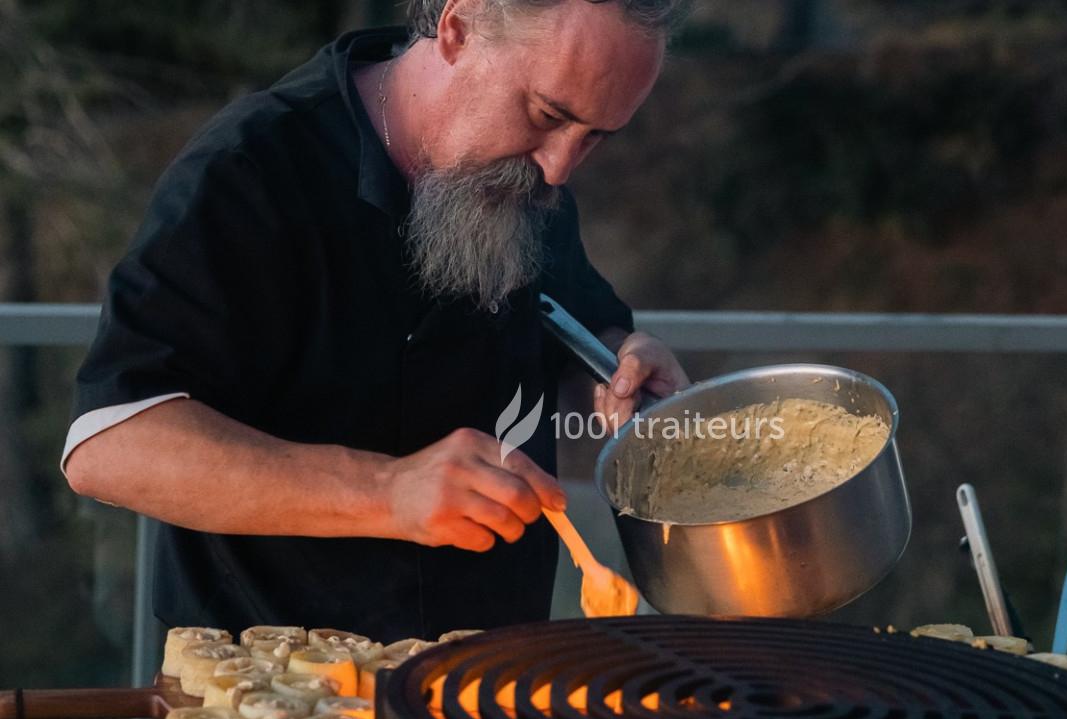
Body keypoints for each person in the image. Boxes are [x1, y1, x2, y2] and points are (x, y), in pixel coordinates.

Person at [62, 0, 692, 642]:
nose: (560, 167)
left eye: (594, 135)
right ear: (458, 27)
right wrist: (387, 492)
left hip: (487, 669)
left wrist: (616, 366)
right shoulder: (249, 168)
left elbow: (567, 334)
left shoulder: (529, 182)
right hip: (272, 687)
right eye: (547, 114)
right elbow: (112, 443)